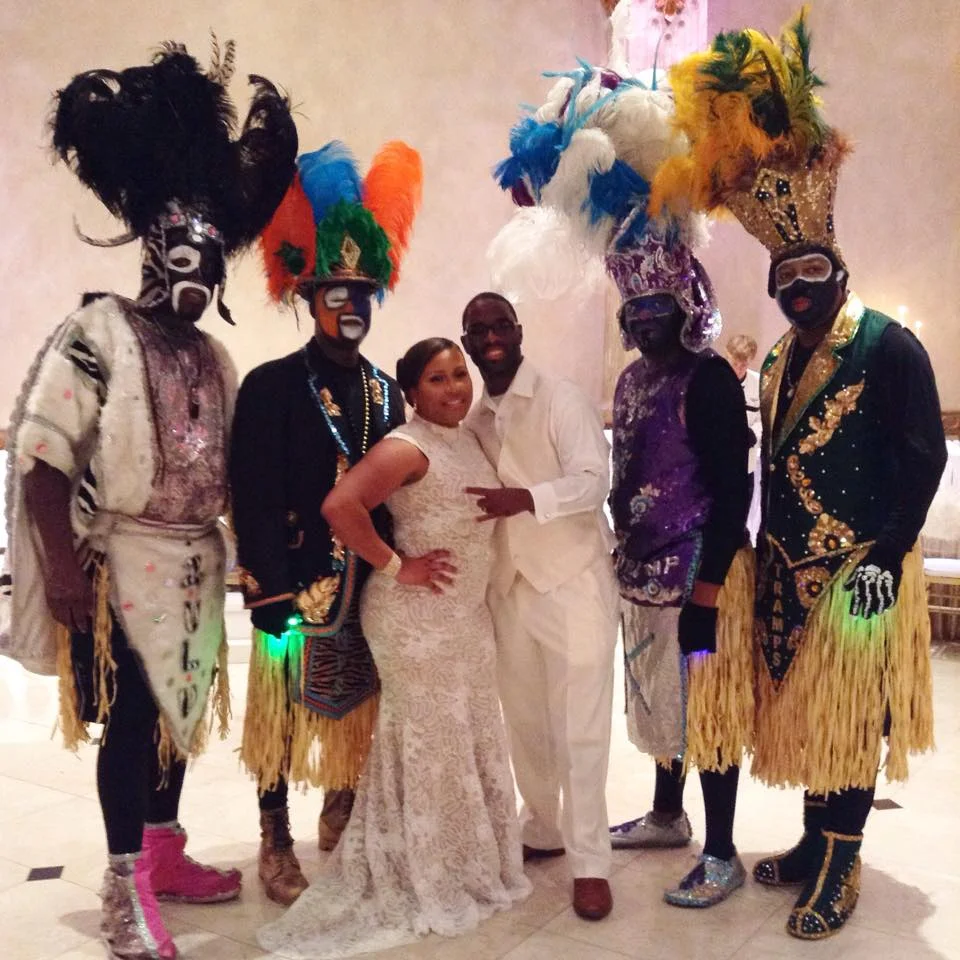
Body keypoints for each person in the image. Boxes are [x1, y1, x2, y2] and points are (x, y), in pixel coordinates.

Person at [653, 10, 948, 938]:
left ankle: (843, 868)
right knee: (811, 710)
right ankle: (819, 841)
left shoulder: (890, 347)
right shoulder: (777, 360)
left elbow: (924, 454)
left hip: (862, 565)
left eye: (810, 270)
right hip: (786, 564)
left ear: (838, 265)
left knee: (851, 714)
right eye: (783, 277)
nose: (796, 289)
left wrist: (891, 549)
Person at [0, 42, 297, 960]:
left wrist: (258, 557)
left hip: (197, 562)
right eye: (185, 254)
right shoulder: (97, 331)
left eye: (214, 259)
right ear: (155, 252)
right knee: (133, 719)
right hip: (120, 559)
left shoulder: (214, 356)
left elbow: (239, 469)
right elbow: (44, 457)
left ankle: (165, 855)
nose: (199, 276)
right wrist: (52, 572)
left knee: (180, 712)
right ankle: (124, 883)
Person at [257, 338, 529, 958]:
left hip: (464, 616)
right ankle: (426, 868)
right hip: (414, 619)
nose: (455, 387)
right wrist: (395, 564)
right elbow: (339, 505)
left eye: (460, 374)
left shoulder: (466, 438)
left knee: (467, 733)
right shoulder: (406, 445)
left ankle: (466, 862)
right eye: (438, 379)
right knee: (430, 740)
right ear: (411, 393)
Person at [230, 141, 419, 904]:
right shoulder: (272, 386)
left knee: (355, 707)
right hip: (291, 582)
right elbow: (248, 490)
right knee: (277, 719)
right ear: (308, 300)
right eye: (336, 295)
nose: (352, 308)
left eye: (363, 295)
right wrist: (266, 590)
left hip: (367, 584)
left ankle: (341, 807)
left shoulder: (385, 390)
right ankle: (274, 835)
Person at [605, 227, 755, 908]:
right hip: (641, 572)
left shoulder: (712, 376)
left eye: (656, 304)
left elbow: (734, 490)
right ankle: (668, 815)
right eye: (634, 307)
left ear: (687, 304)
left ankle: (721, 852)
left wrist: (707, 592)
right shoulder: (632, 379)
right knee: (662, 705)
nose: (644, 317)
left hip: (701, 575)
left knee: (707, 715)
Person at [461, 291, 620, 922]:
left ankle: (591, 864)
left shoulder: (561, 398)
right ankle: (544, 827)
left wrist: (525, 499)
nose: (492, 336)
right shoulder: (473, 418)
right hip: (509, 585)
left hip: (574, 579)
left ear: (518, 332)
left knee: (580, 728)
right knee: (524, 720)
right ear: (468, 340)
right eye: (480, 329)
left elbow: (592, 480)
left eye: (501, 325)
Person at [726, 335, 762, 542]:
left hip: (746, 459)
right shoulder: (716, 381)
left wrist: (754, 434)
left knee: (743, 505)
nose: (739, 368)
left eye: (744, 364)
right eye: (735, 363)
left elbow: (763, 418)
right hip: (721, 459)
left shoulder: (758, 383)